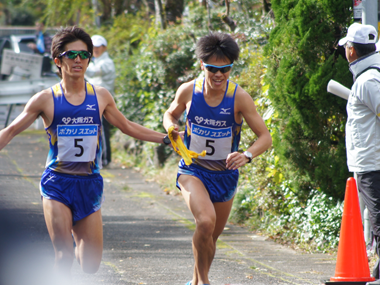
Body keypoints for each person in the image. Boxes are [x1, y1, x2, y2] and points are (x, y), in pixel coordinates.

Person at [0, 26, 170, 279]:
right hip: (57, 183)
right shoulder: (45, 99)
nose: (78, 60)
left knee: (90, 265)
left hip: (90, 185)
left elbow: (127, 126)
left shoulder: (100, 96)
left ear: (90, 59)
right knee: (64, 255)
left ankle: (73, 234)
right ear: (58, 60)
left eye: (84, 55)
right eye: (71, 55)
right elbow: (11, 130)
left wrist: (167, 139)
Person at [163, 32, 272, 285]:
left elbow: (265, 137)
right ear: (202, 65)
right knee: (204, 222)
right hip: (193, 171)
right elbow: (171, 114)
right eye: (212, 69)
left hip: (225, 176)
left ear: (232, 67)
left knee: (210, 237)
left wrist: (246, 155)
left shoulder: (239, 98)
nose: (218, 75)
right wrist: (171, 128)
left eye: (225, 69)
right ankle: (205, 283)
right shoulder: (188, 91)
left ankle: (196, 281)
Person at [338, 23, 380, 285]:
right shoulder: (368, 78)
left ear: (351, 50)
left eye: (346, 48)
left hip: (373, 163)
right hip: (370, 161)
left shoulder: (368, 81)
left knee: (378, 218)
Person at [85, 35, 116, 166]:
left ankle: (105, 159)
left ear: (104, 48)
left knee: (102, 130)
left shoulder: (106, 63)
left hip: (103, 101)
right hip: (94, 100)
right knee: (97, 129)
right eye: (93, 47)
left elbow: (92, 73)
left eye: (98, 47)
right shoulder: (95, 61)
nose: (96, 49)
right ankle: (99, 158)